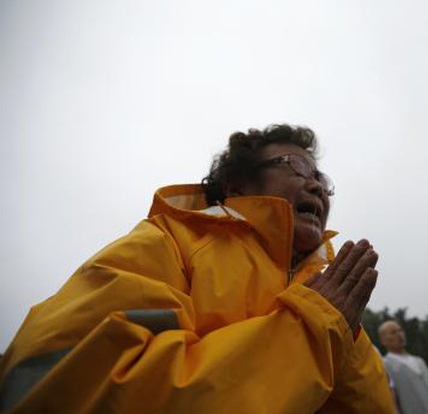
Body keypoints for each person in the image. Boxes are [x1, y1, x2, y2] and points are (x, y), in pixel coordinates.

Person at [0, 124, 394, 413]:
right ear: (236, 185)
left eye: (323, 179)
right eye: (299, 167)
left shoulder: (331, 293)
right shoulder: (169, 241)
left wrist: (337, 326)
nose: (318, 187)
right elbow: (79, 386)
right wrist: (308, 330)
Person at [378, 320, 428, 414]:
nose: (399, 334)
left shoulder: (419, 361)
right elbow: (391, 400)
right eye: (393, 332)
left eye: (400, 330)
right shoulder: (384, 365)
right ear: (383, 340)